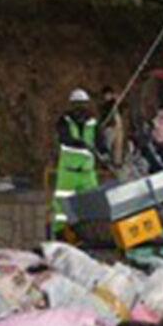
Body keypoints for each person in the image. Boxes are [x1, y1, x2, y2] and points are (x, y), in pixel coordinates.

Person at [51, 88, 99, 239]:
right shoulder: (64, 121)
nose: (80, 109)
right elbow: (65, 139)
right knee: (61, 207)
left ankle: (90, 234)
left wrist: (104, 152)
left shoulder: (93, 123)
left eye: (82, 105)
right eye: (76, 105)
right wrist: (83, 145)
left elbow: (100, 142)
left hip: (87, 172)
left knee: (92, 203)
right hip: (68, 172)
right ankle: (60, 234)